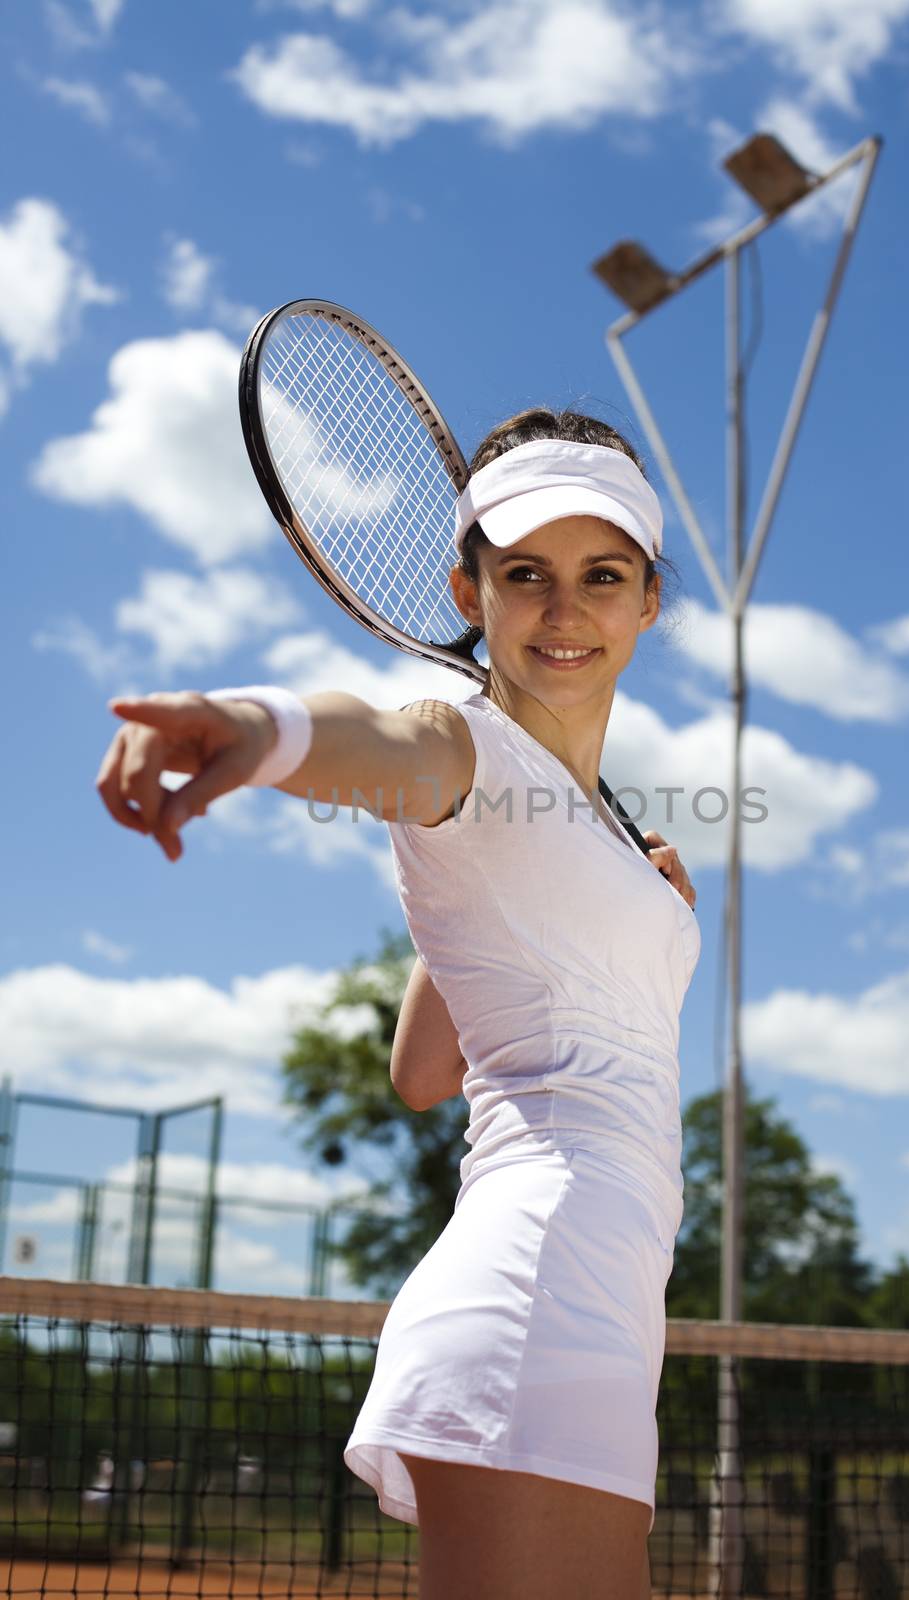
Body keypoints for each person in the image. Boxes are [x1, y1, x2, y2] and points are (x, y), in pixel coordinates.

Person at [95, 408, 699, 1600]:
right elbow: (386, 739)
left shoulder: (604, 833)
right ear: (467, 592)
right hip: (539, 1285)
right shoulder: (459, 750)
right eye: (523, 574)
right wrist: (263, 730)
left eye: (601, 575)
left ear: (646, 604)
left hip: (603, 1305)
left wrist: (521, 900)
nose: (564, 610)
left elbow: (424, 1072)